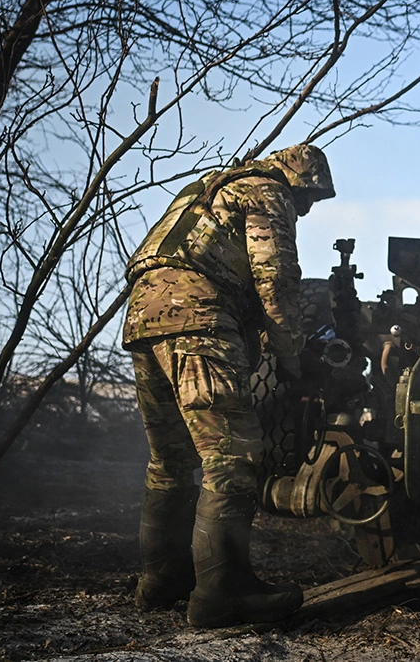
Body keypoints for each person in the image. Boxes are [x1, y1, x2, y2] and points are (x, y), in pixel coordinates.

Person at [122, 144, 335, 628]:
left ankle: (161, 581)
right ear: (298, 181)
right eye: (310, 199)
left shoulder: (205, 190)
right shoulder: (267, 191)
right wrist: (291, 356)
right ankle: (221, 594)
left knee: (170, 460)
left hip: (143, 318)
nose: (306, 209)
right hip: (198, 319)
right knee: (232, 459)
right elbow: (274, 281)